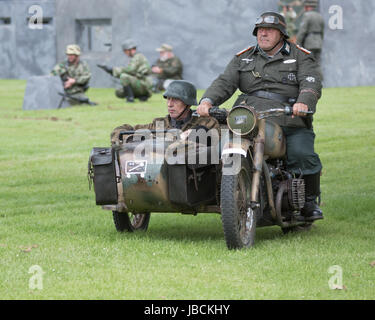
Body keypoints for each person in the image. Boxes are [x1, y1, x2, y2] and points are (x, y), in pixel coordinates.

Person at [197, 11, 323, 221]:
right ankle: (220, 192)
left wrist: (303, 102)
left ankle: (308, 202)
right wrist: (207, 101)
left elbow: (311, 83)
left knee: (302, 154)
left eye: (269, 30)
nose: (263, 34)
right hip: (248, 117)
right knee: (212, 145)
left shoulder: (300, 55)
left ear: (281, 34)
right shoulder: (244, 57)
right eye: (259, 30)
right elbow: (224, 82)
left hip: (286, 118)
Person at [110, 80, 219, 146]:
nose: (169, 104)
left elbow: (211, 142)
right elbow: (120, 131)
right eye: (168, 99)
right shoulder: (159, 124)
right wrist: (134, 139)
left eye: (175, 100)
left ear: (188, 103)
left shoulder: (207, 123)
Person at [296, 0, 324, 74]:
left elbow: (302, 31)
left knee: (308, 63)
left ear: (307, 7)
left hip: (309, 43)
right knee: (317, 63)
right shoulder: (319, 16)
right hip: (319, 43)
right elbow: (322, 32)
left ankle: (310, 81)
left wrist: (298, 44)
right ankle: (320, 81)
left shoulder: (307, 15)